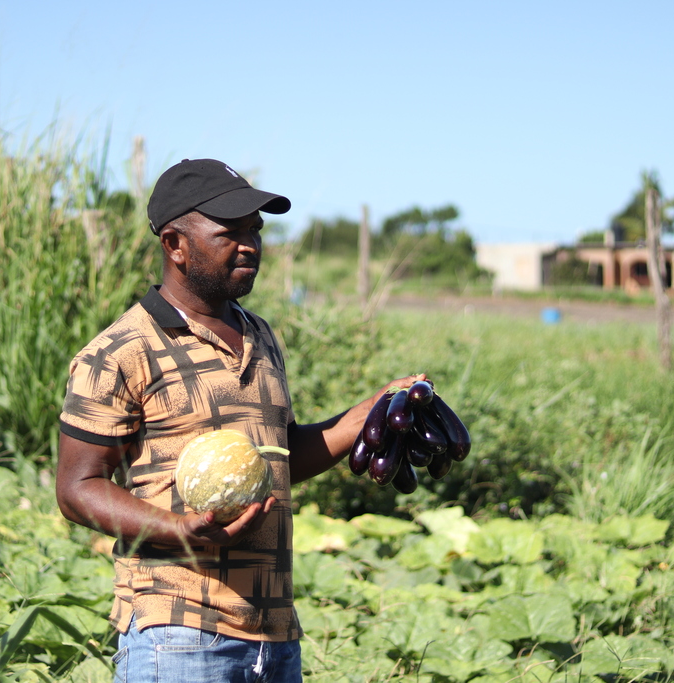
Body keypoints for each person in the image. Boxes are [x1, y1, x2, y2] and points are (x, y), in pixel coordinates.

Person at [55, 158, 424, 682]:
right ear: (174, 244)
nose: (251, 244)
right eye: (231, 231)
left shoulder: (260, 335)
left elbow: (276, 458)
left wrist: (369, 411)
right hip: (179, 630)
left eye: (256, 230)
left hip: (273, 634)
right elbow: (77, 488)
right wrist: (184, 530)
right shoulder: (120, 351)